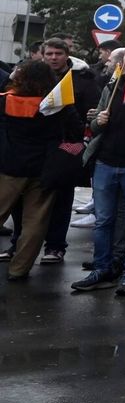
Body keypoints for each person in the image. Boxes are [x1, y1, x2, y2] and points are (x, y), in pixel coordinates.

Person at [71, 63, 125, 296]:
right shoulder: (112, 86)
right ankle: (102, 269)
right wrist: (99, 121)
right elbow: (95, 126)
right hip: (105, 162)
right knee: (103, 221)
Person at [2, 62, 75, 280]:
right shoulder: (59, 106)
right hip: (44, 169)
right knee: (35, 222)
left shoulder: (6, 101)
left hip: (9, 167)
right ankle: (19, 269)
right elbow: (76, 132)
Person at [38, 36, 98, 265]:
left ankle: (55, 246)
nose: (53, 58)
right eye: (49, 54)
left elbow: (92, 111)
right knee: (28, 199)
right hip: (36, 146)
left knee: (62, 198)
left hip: (68, 143)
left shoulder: (83, 79)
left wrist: (80, 136)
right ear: (43, 55)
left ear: (66, 55)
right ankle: (19, 244)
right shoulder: (34, 75)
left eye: (58, 54)